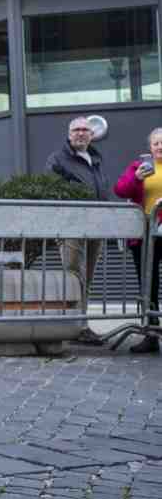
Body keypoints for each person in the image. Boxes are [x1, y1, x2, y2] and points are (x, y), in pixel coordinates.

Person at [46, 116, 110, 344]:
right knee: (74, 275)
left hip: (95, 225)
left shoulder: (96, 158)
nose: (81, 133)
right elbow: (54, 189)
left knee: (87, 277)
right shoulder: (58, 158)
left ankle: (81, 324)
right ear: (69, 134)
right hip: (71, 225)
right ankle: (74, 326)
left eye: (85, 130)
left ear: (92, 135)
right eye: (76, 130)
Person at [114, 127, 162, 354]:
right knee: (148, 285)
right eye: (156, 143)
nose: (160, 146)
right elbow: (120, 190)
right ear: (149, 148)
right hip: (144, 235)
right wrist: (135, 179)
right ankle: (151, 334)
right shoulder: (137, 167)